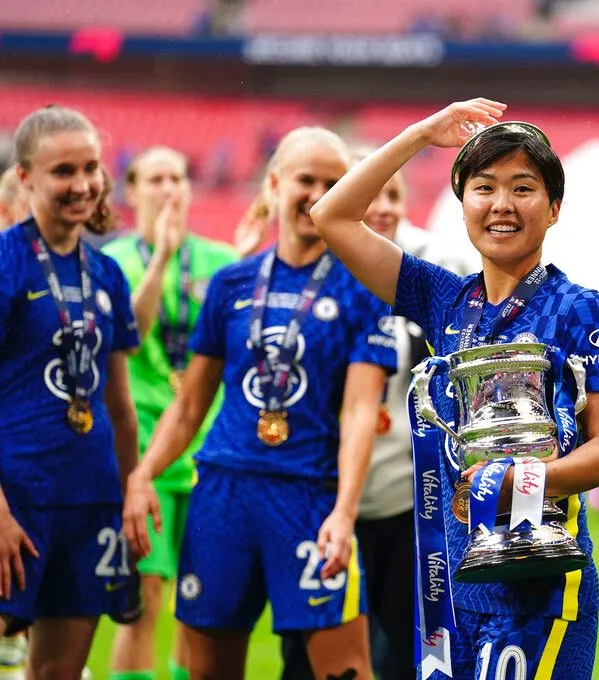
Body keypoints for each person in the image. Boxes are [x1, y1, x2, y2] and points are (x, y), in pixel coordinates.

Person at [311, 98, 599, 680]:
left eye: (523, 188)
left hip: (542, 585)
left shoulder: (583, 310)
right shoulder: (443, 299)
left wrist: (515, 481)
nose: (502, 204)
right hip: (452, 583)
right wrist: (420, 134)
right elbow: (331, 215)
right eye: (483, 187)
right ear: (462, 205)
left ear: (554, 208)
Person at [121, 126, 395, 679]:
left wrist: (344, 511)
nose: (317, 193)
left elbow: (361, 411)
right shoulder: (230, 283)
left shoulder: (361, 288)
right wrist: (144, 473)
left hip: (310, 497)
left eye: (333, 182)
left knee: (346, 669)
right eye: (305, 179)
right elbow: (191, 402)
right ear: (273, 184)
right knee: (210, 669)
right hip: (224, 494)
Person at [280, 153, 470, 680]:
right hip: (319, 491)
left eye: (393, 195)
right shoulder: (312, 276)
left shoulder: (434, 269)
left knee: (411, 651)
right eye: (370, 194)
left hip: (409, 495)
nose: (381, 208)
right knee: (309, 655)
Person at [0, 105, 140, 678]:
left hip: (90, 503)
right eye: (63, 172)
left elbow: (121, 409)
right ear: (26, 177)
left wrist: (131, 490)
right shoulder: (7, 263)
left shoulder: (107, 274)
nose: (82, 185)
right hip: (16, 499)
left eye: (91, 168)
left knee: (58, 672)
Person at [102, 147, 238, 680]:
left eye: (177, 177)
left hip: (206, 450)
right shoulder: (115, 261)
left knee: (198, 602)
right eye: (155, 179)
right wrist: (160, 258)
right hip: (143, 454)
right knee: (143, 597)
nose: (168, 188)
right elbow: (129, 339)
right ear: (132, 192)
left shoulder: (219, 260)